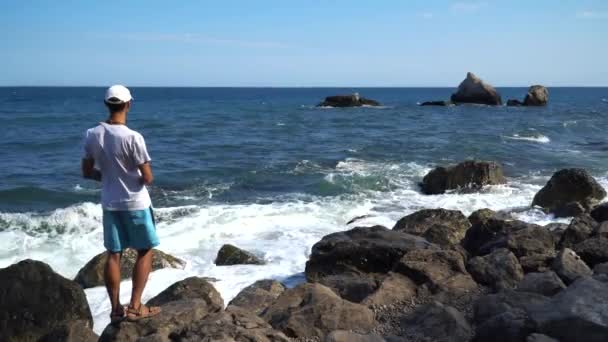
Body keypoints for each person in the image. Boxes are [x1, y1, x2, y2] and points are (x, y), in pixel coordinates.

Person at [81, 85, 161, 322]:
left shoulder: (91, 134)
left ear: (107, 104)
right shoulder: (133, 137)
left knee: (113, 254)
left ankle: (116, 310)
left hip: (110, 203)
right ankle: (135, 307)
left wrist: (106, 177)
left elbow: (87, 172)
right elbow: (147, 177)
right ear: (128, 104)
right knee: (144, 251)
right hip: (135, 202)